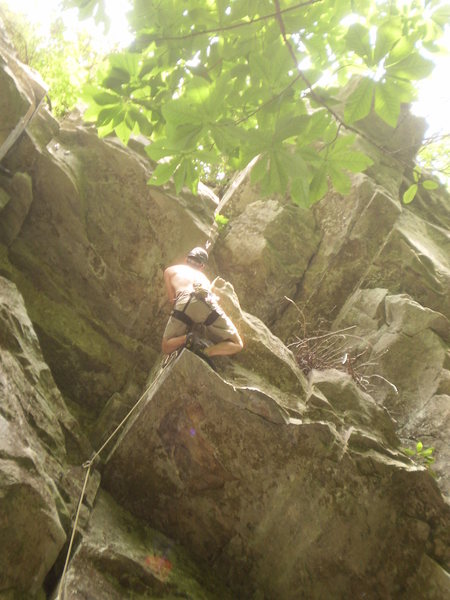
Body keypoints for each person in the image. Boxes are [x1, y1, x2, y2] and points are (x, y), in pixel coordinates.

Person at [161, 247, 243, 359]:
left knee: (166, 347)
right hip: (207, 302)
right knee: (238, 344)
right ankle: (207, 352)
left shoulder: (170, 271)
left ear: (186, 260)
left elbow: (172, 300)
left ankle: (187, 338)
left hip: (184, 301)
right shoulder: (204, 278)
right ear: (202, 267)